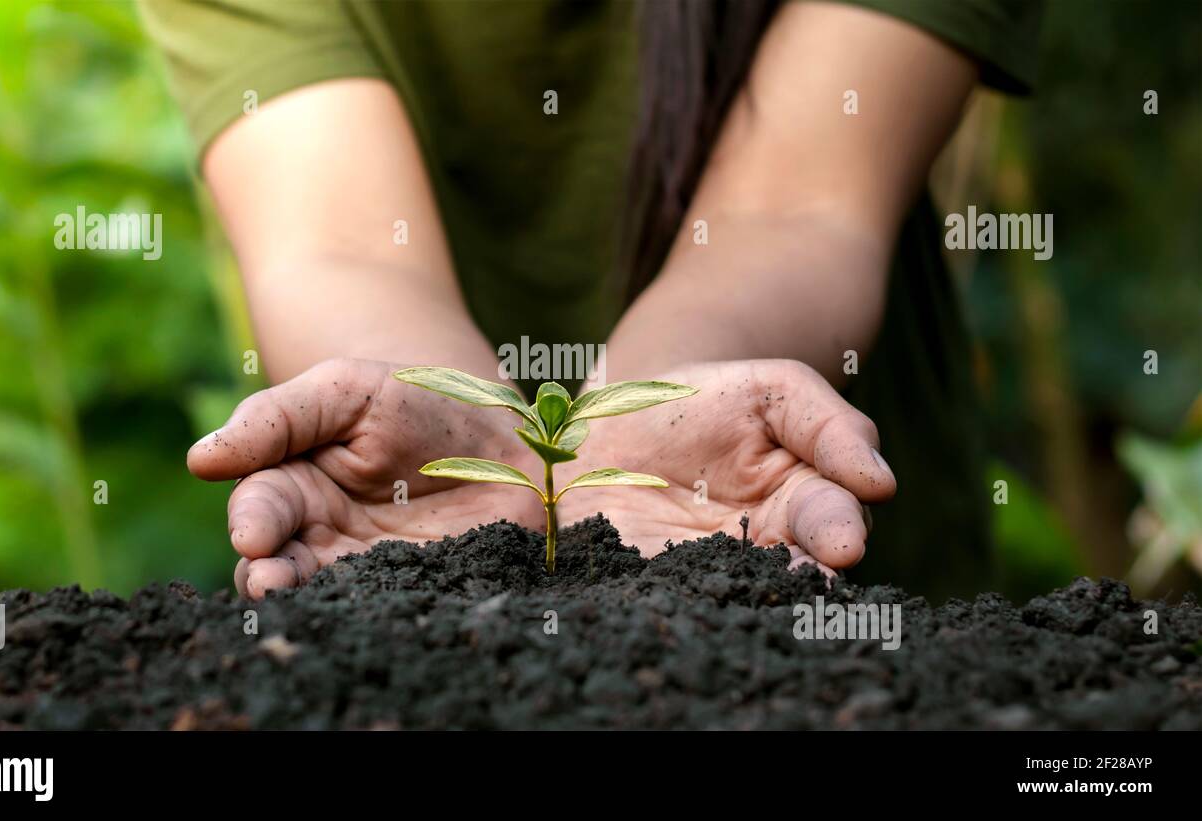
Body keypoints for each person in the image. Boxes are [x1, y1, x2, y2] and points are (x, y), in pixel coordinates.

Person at [140, 0, 1042, 600]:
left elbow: (798, 208)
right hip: (419, 541)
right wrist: (455, 428)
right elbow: (340, 246)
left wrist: (658, 416)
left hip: (801, 559)